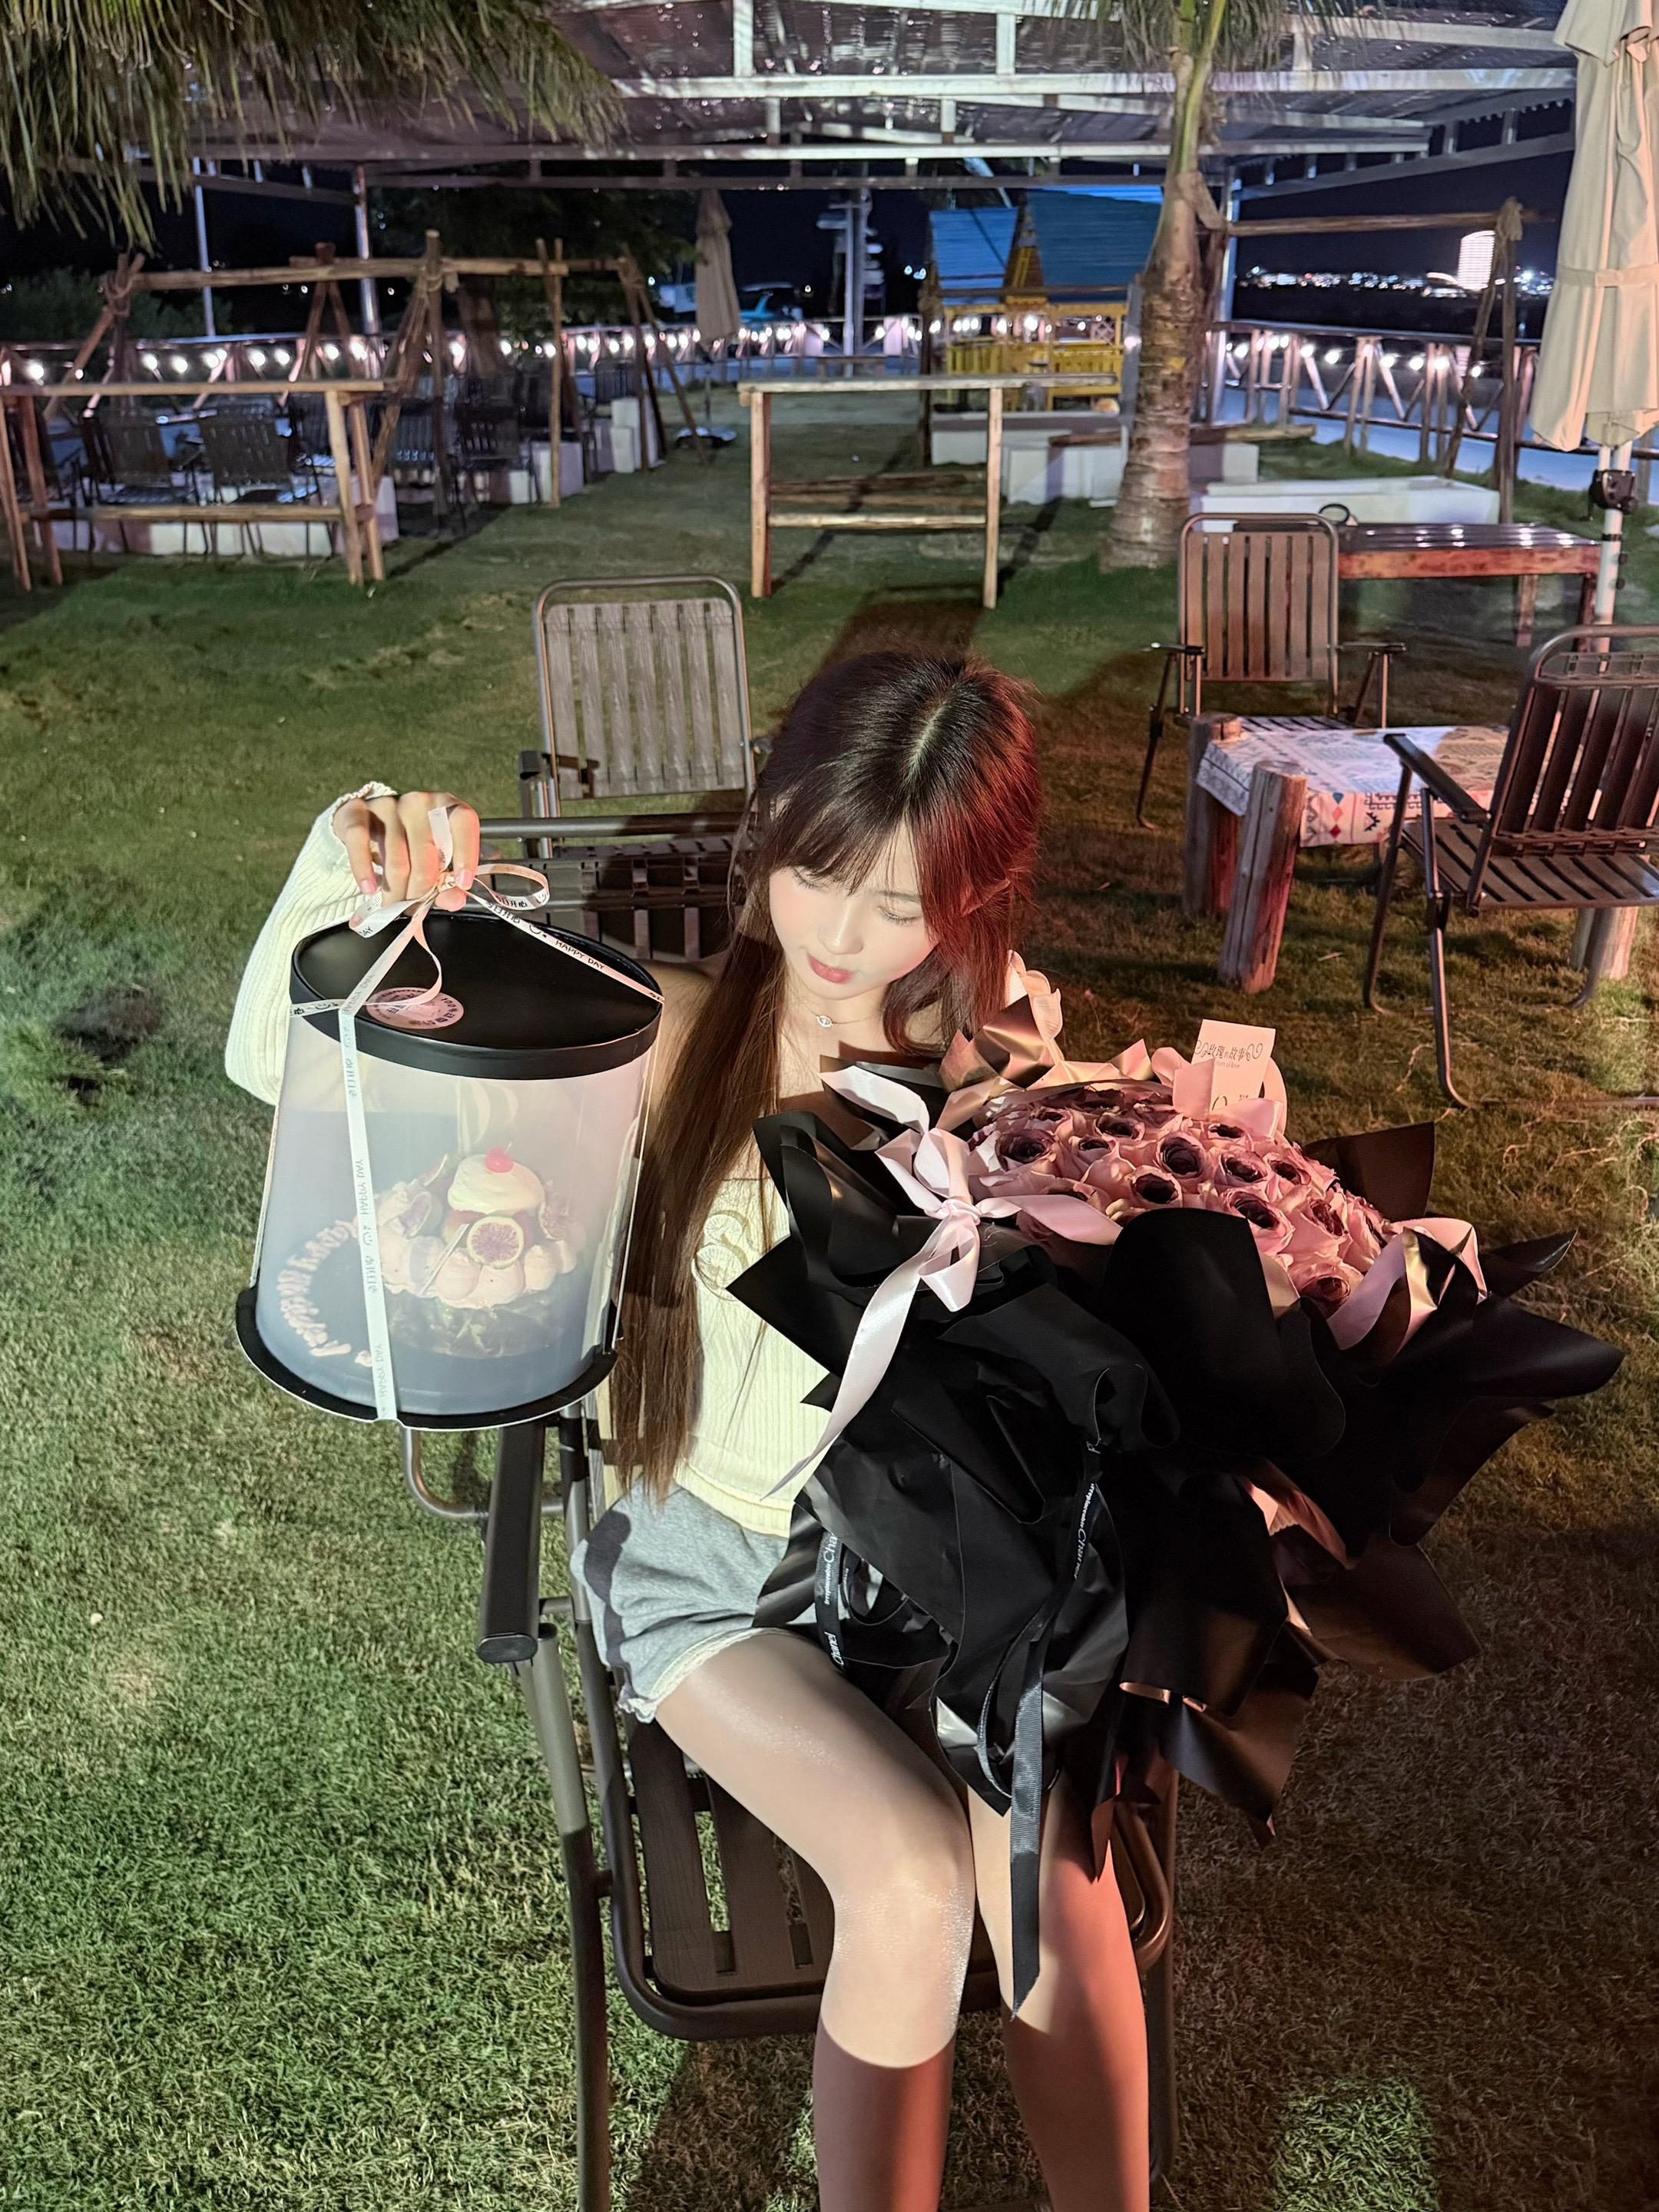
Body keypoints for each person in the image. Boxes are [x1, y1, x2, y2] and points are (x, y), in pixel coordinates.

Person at [226, 652, 1151, 2212]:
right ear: (771, 832)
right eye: (817, 874)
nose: (842, 939)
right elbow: (290, 1061)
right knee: (911, 1873)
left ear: (973, 900)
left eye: (899, 903)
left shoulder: (1010, 1080)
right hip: (714, 1572)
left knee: (1050, 1874)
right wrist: (359, 863)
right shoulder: (659, 1044)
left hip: (948, 1582)